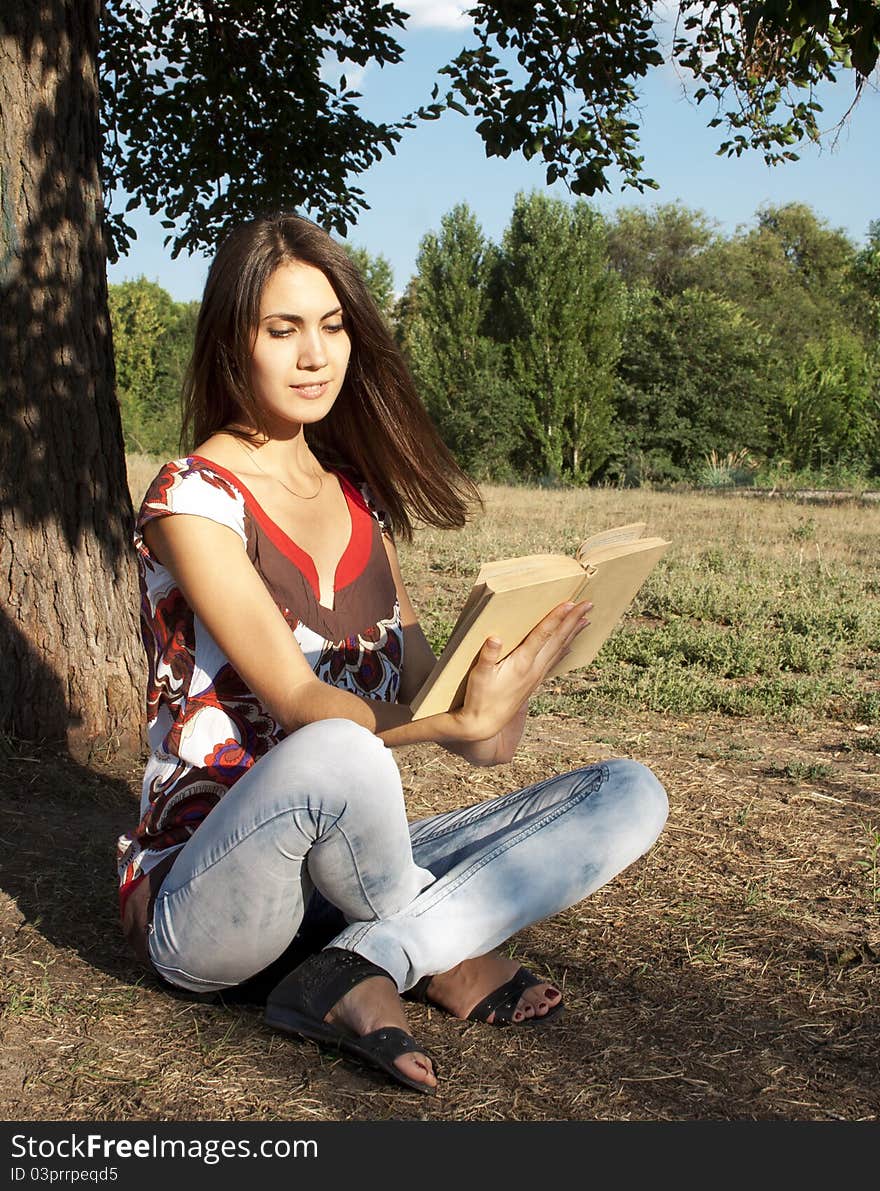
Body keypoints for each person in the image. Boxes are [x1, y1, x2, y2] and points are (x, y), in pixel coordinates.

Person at [117, 212, 668, 1095]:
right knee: (336, 748)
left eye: (332, 326)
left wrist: (512, 675)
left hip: (346, 874)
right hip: (213, 890)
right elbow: (302, 704)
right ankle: (438, 951)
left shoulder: (358, 500)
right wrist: (450, 718)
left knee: (629, 791)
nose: (315, 355)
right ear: (233, 340)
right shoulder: (193, 497)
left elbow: (475, 737)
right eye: (283, 329)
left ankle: (374, 957)